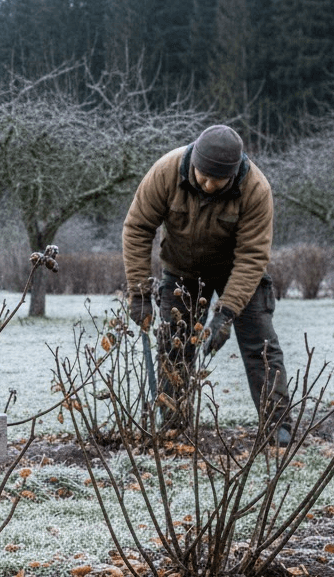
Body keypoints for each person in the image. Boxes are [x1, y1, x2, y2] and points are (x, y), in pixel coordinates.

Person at [122, 124, 291, 443]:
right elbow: (137, 229)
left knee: (261, 347)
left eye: (219, 180)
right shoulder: (166, 172)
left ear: (234, 173)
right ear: (194, 163)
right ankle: (173, 423)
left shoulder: (256, 188)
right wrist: (140, 293)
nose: (210, 185)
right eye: (204, 177)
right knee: (174, 346)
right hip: (182, 270)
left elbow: (253, 255)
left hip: (237, 271)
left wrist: (225, 315)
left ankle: (277, 425)